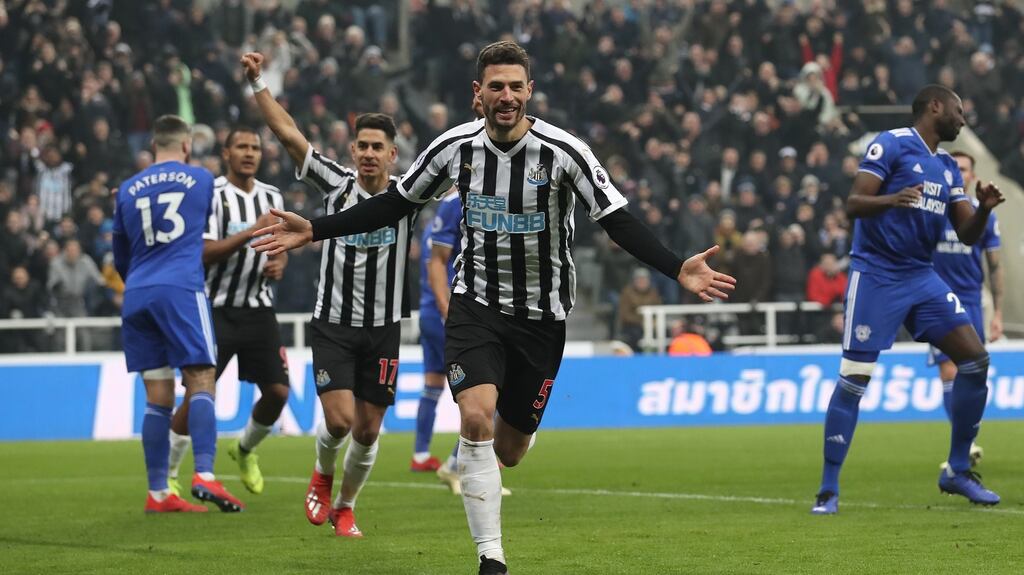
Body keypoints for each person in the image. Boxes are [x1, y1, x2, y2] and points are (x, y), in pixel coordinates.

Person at [252, 41, 735, 574]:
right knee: (475, 418)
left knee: (510, 451)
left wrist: (675, 267)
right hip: (476, 306)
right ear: (477, 94)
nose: (507, 97)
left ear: (530, 91)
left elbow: (615, 219)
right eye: (496, 87)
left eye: (515, 86)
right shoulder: (454, 148)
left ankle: (503, 464)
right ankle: (492, 558)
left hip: (542, 318)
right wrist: (316, 229)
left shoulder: (564, 152)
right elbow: (396, 203)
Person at [243, 52, 416, 538]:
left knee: (368, 430)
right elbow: (288, 133)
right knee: (339, 422)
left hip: (383, 328)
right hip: (334, 325)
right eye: (362, 145)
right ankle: (322, 472)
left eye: (377, 147)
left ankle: (345, 506)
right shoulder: (336, 184)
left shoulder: (409, 196)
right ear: (352, 149)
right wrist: (258, 82)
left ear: (392, 155)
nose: (368, 153)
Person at [811, 85, 1004, 515]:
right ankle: (828, 489)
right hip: (876, 274)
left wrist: (985, 209)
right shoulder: (892, 143)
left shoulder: (948, 168)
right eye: (958, 110)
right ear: (935, 106)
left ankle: (957, 470)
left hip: (921, 275)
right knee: (855, 379)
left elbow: (966, 234)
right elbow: (853, 204)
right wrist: (891, 199)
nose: (962, 119)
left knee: (976, 360)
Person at [112, 114, 244, 513]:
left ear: (154, 146)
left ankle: (158, 493)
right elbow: (206, 230)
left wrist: (141, 281)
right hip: (180, 288)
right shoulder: (201, 179)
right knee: (201, 378)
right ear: (186, 146)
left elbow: (120, 256)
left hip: (137, 293)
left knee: (158, 396)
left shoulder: (127, 189)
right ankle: (204, 473)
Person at [165, 125, 290, 497]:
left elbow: (280, 242)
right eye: (242, 147)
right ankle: (166, 475)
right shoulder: (212, 195)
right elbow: (203, 252)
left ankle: (245, 449)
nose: (250, 153)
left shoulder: (272, 195)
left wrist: (279, 262)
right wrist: (252, 231)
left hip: (258, 308)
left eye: (255, 147)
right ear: (226, 153)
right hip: (214, 310)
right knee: (197, 395)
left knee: (278, 392)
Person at [930, 150, 1002, 468]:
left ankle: (964, 439)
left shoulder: (985, 215)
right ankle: (965, 445)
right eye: (955, 168)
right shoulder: (933, 210)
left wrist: (997, 312)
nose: (959, 173)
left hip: (972, 301)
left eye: (964, 169)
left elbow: (995, 266)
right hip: (937, 299)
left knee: (972, 372)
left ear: (972, 175)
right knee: (948, 369)